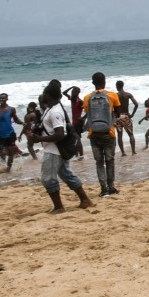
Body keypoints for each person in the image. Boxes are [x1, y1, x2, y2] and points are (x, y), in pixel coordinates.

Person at [33, 81, 94, 213]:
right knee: (67, 175)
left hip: (54, 150)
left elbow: (60, 134)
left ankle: (59, 207)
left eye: (44, 94)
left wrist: (40, 139)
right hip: (57, 149)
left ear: (48, 96)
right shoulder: (51, 108)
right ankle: (85, 200)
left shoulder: (55, 112)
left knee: (48, 179)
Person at [83, 72, 123, 197]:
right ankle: (111, 187)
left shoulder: (87, 97)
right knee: (110, 161)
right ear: (105, 81)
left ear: (92, 82)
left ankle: (103, 189)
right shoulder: (112, 95)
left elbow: (88, 113)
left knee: (99, 162)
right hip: (109, 133)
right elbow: (117, 113)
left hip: (93, 133)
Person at [0, 93, 28, 171]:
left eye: (3, 98)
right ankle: (2, 168)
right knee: (2, 153)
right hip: (0, 135)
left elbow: (16, 119)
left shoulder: (11, 109)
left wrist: (22, 123)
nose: (1, 99)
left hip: (10, 134)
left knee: (11, 153)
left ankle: (8, 169)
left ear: (7, 99)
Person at [115, 81, 139, 155]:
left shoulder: (115, 95)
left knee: (119, 135)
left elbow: (112, 107)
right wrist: (132, 114)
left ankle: (123, 153)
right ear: (123, 85)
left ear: (117, 86)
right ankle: (133, 151)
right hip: (126, 115)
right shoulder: (128, 95)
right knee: (130, 134)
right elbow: (136, 104)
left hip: (118, 116)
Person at [62, 86, 85, 160]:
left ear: (77, 93)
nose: (72, 93)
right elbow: (64, 92)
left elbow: (88, 109)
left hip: (78, 123)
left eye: (73, 92)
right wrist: (71, 87)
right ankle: (76, 155)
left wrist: (83, 118)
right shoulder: (72, 99)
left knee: (77, 139)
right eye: (72, 92)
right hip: (73, 123)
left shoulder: (80, 101)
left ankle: (81, 156)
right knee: (74, 139)